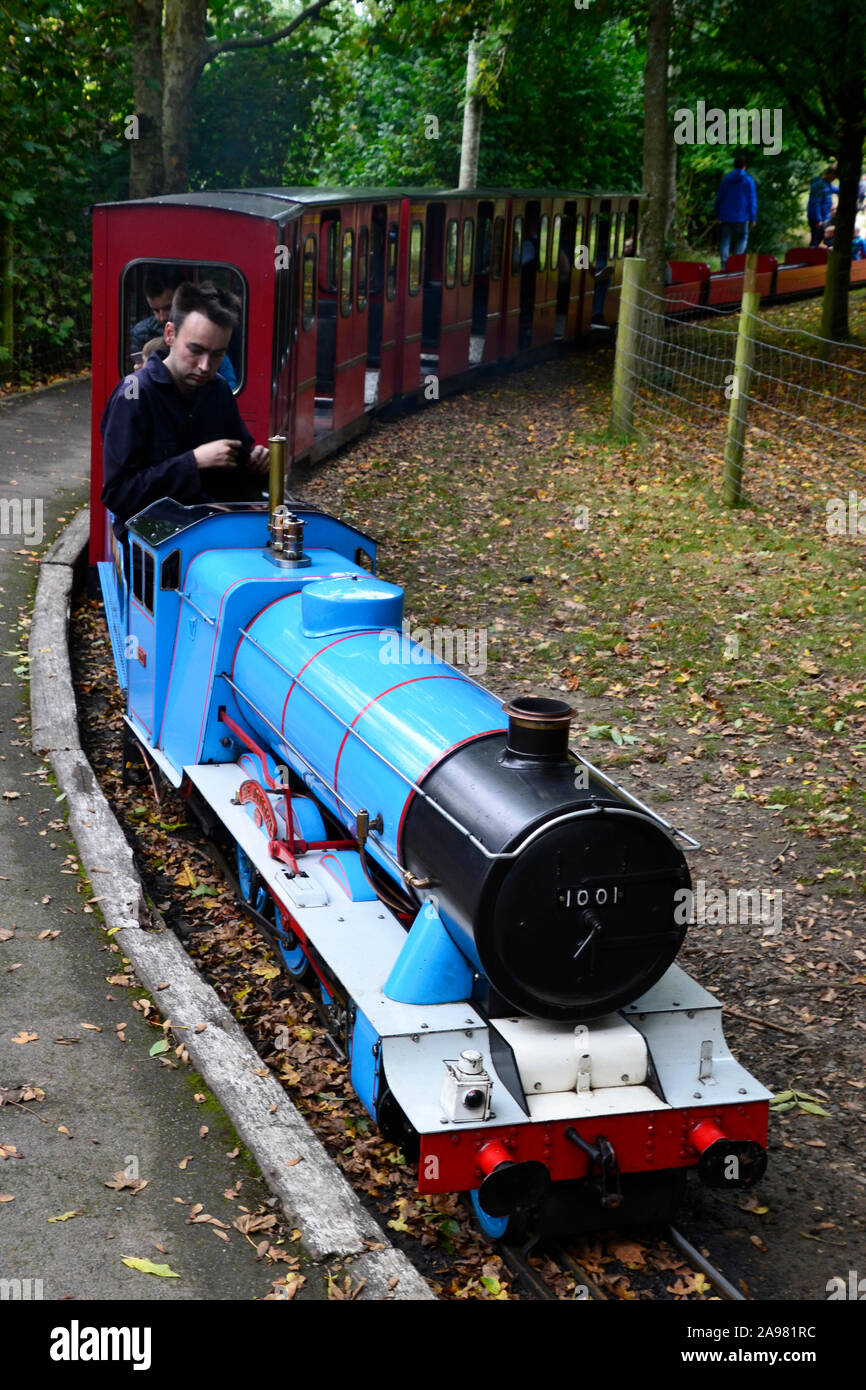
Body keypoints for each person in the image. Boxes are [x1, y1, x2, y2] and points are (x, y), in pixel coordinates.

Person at [101, 280, 269, 539]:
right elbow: (118, 494)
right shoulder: (134, 394)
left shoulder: (218, 390)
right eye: (196, 350)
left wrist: (257, 465)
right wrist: (194, 462)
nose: (205, 365)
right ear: (170, 334)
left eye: (217, 355)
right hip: (154, 551)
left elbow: (236, 473)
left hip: (216, 534)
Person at [715, 154, 757, 270]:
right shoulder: (748, 180)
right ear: (745, 166)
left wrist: (717, 214)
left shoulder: (726, 179)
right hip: (742, 217)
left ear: (734, 165)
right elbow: (752, 200)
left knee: (725, 240)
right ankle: (736, 262)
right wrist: (753, 218)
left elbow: (719, 197)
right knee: (743, 238)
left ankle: (724, 265)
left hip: (726, 216)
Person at [807, 166, 839, 248]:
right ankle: (812, 256)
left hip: (825, 218)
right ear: (829, 174)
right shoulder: (819, 185)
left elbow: (835, 189)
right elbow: (815, 203)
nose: (834, 178)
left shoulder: (826, 184)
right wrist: (818, 220)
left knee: (824, 241)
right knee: (816, 241)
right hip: (818, 219)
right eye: (834, 176)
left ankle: (821, 258)